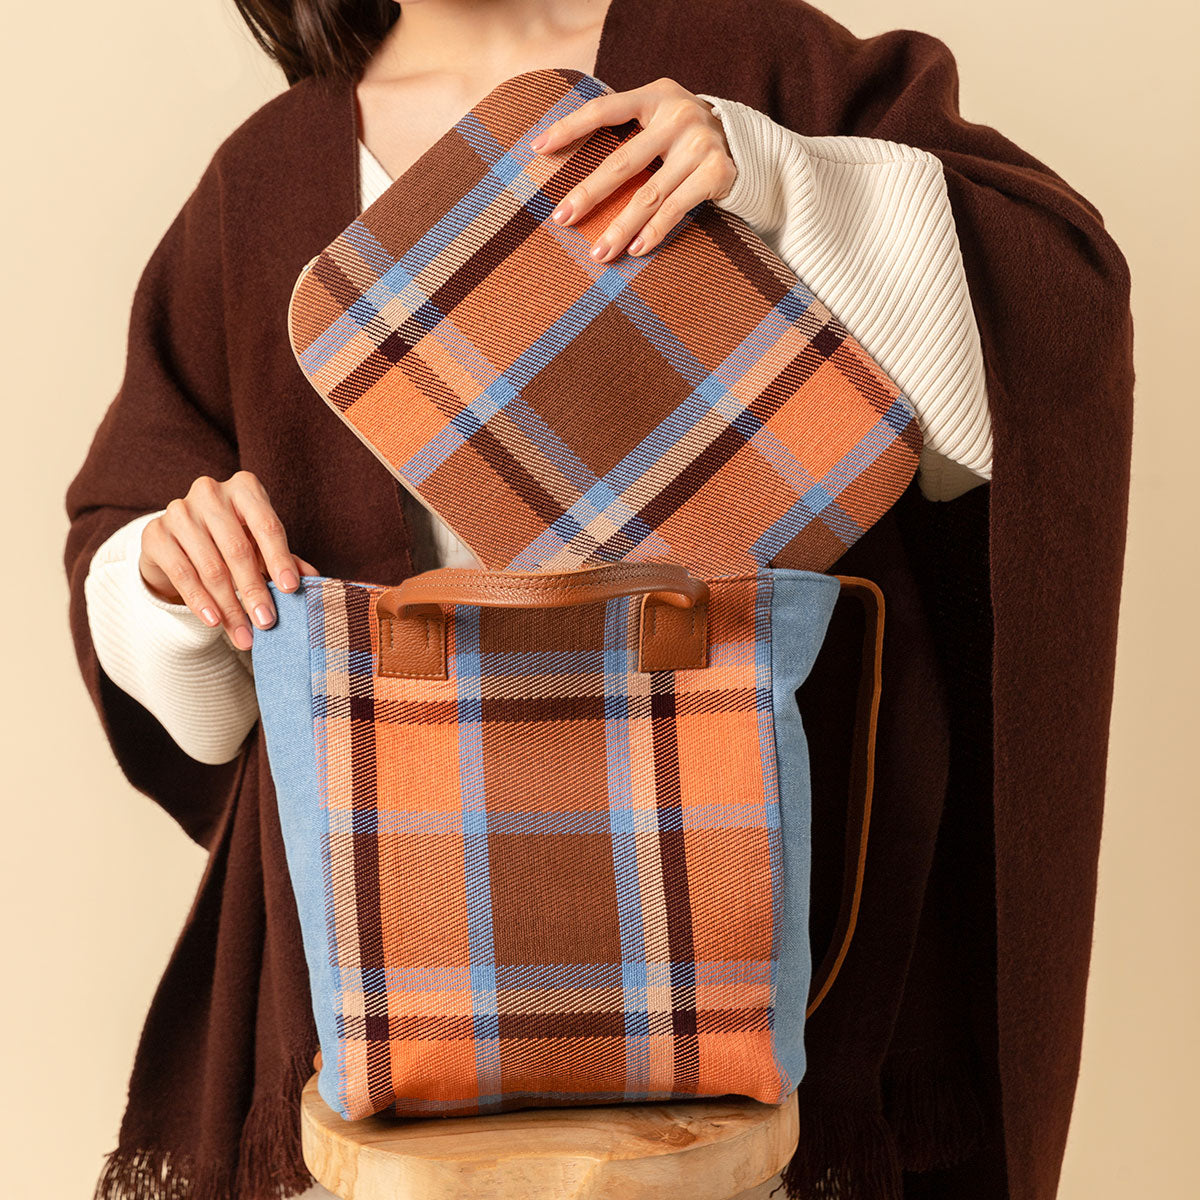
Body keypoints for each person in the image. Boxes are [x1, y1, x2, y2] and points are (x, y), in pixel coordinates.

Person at [64, 2, 1133, 1198]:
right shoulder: (261, 183)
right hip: (400, 960)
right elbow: (135, 537)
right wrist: (172, 568)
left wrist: (787, 180)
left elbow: (1054, 315)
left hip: (766, 937)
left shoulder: (751, 58)